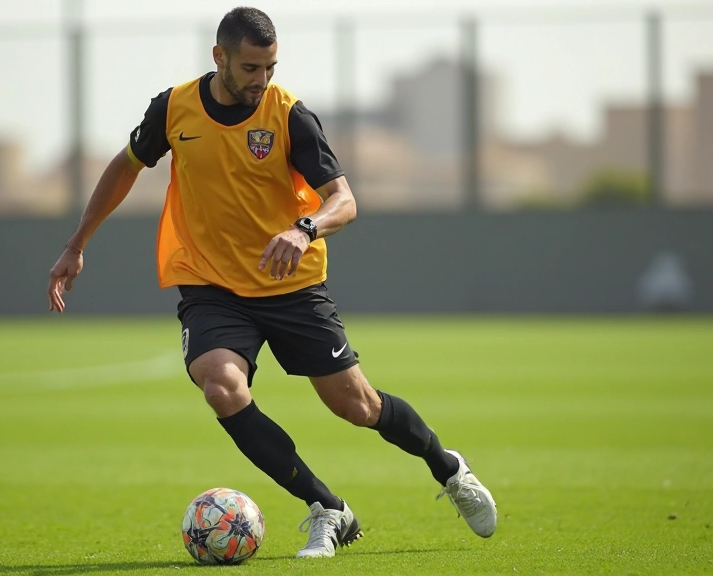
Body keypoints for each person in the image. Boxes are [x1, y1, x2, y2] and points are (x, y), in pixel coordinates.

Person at [46, 6, 496, 559]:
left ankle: (448, 468)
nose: (263, 79)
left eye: (271, 67)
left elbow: (345, 200)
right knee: (221, 386)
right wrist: (76, 244)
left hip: (292, 285)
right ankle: (326, 507)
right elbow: (125, 165)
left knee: (357, 406)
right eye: (252, 67)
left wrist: (304, 229)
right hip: (212, 285)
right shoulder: (175, 108)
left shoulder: (290, 116)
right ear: (220, 58)